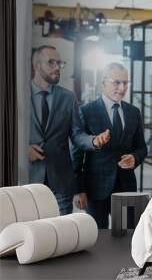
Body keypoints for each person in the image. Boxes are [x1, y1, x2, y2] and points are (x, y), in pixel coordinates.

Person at [29, 45, 110, 215]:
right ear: (37, 65)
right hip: (27, 181)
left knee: (61, 234)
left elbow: (77, 134)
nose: (57, 67)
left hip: (60, 183)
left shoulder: (68, 97)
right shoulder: (18, 94)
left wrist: (94, 141)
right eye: (51, 63)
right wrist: (21, 150)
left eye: (59, 63)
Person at [72, 62, 147, 229]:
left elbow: (142, 148)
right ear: (103, 83)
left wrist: (134, 158)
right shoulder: (86, 111)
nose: (122, 88)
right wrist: (78, 189)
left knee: (129, 237)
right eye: (116, 82)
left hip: (126, 186)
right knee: (97, 240)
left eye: (125, 83)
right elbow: (76, 154)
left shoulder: (134, 112)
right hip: (95, 188)